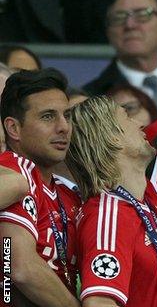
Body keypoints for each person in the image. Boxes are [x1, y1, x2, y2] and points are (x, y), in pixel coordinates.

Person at [65, 95, 157, 306]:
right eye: (127, 117)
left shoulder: (148, 201)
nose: (140, 124)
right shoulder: (108, 216)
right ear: (112, 136)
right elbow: (99, 303)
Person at [0, 69, 80, 306]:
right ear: (14, 129)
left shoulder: (67, 194)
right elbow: (19, 268)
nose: (64, 127)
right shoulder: (15, 170)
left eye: (66, 116)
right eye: (48, 117)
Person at [82, 0, 157, 116]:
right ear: (108, 32)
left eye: (142, 14)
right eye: (119, 17)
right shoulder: (92, 98)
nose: (130, 25)